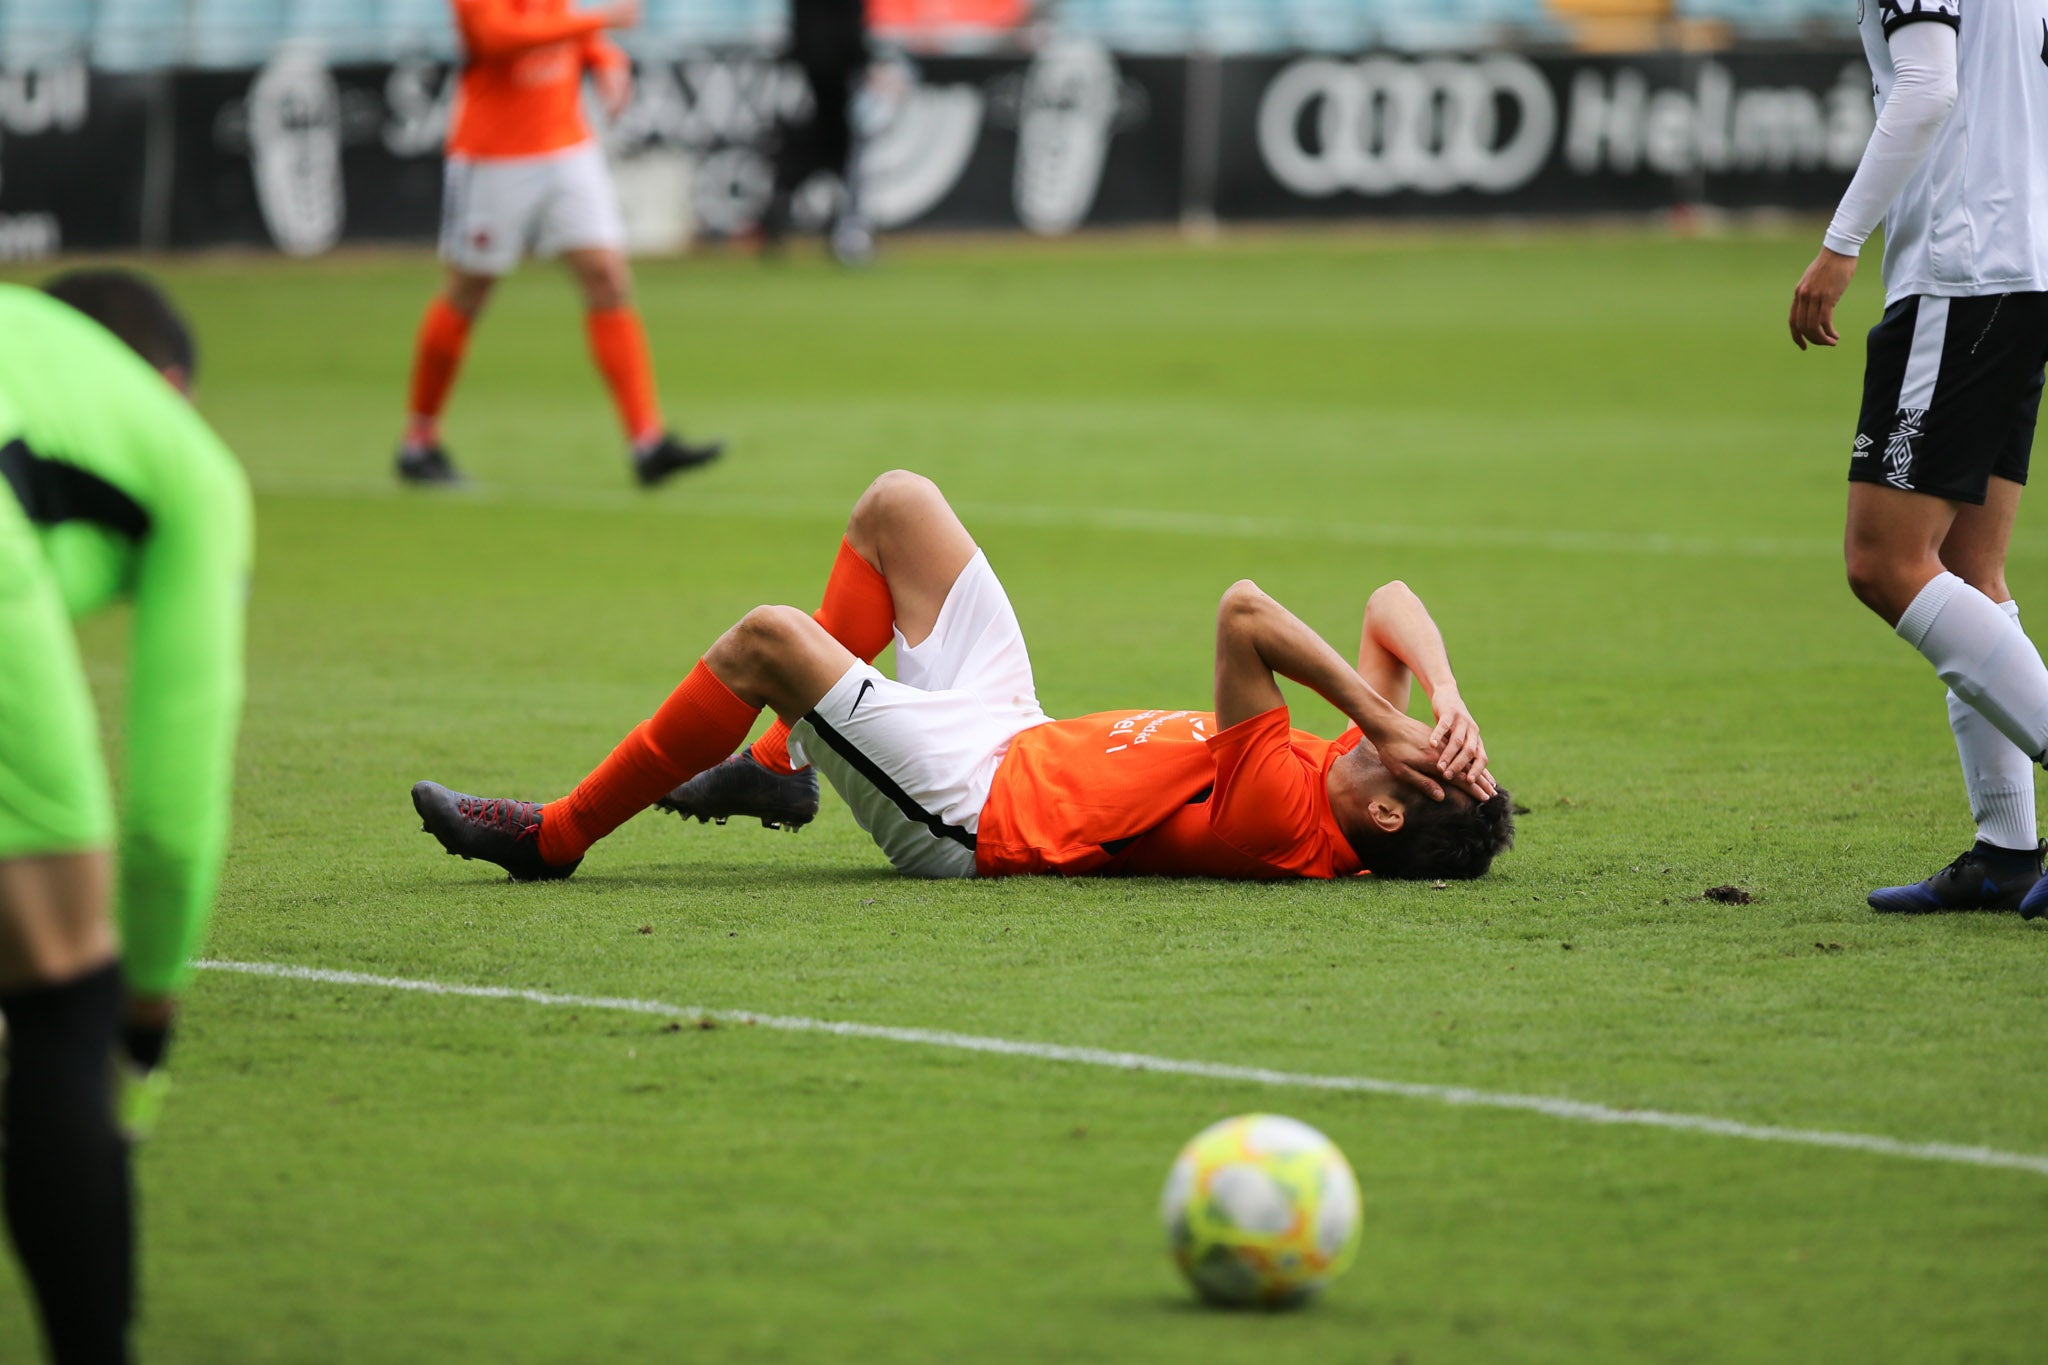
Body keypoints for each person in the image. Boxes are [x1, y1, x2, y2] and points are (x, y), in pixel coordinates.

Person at [411, 471, 1510, 885]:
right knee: (898, 504)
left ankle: (550, 838)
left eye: (1431, 770)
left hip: (973, 810)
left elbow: (1242, 613)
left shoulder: (1288, 818)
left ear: (1382, 809)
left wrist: (1379, 711)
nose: (1418, 744)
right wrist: (1443, 698)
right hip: (1015, 731)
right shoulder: (1361, 775)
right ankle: (775, 768)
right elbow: (1388, 603)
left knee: (766, 642)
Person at [0, 272, 251, 1363]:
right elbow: (165, 823)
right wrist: (143, 1013)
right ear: (169, 383)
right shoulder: (186, 454)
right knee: (60, 992)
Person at [1786, 0, 2048, 914]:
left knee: (1885, 561)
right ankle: (2008, 848)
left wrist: (1840, 244)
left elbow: (1928, 87)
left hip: (1960, 268)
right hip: (2021, 266)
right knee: (1972, 571)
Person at [395, 0, 723, 487]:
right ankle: (418, 443)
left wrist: (602, 55)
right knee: (468, 291)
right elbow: (499, 38)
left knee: (607, 276)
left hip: (566, 144)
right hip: (494, 156)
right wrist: (601, 20)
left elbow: (560, 24)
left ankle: (646, 443)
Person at [760, 0, 873, 265]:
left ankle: (791, 220)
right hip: (831, 78)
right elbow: (849, 27)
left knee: (807, 152)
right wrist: (861, 57)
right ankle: (846, 231)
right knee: (838, 155)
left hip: (814, 70)